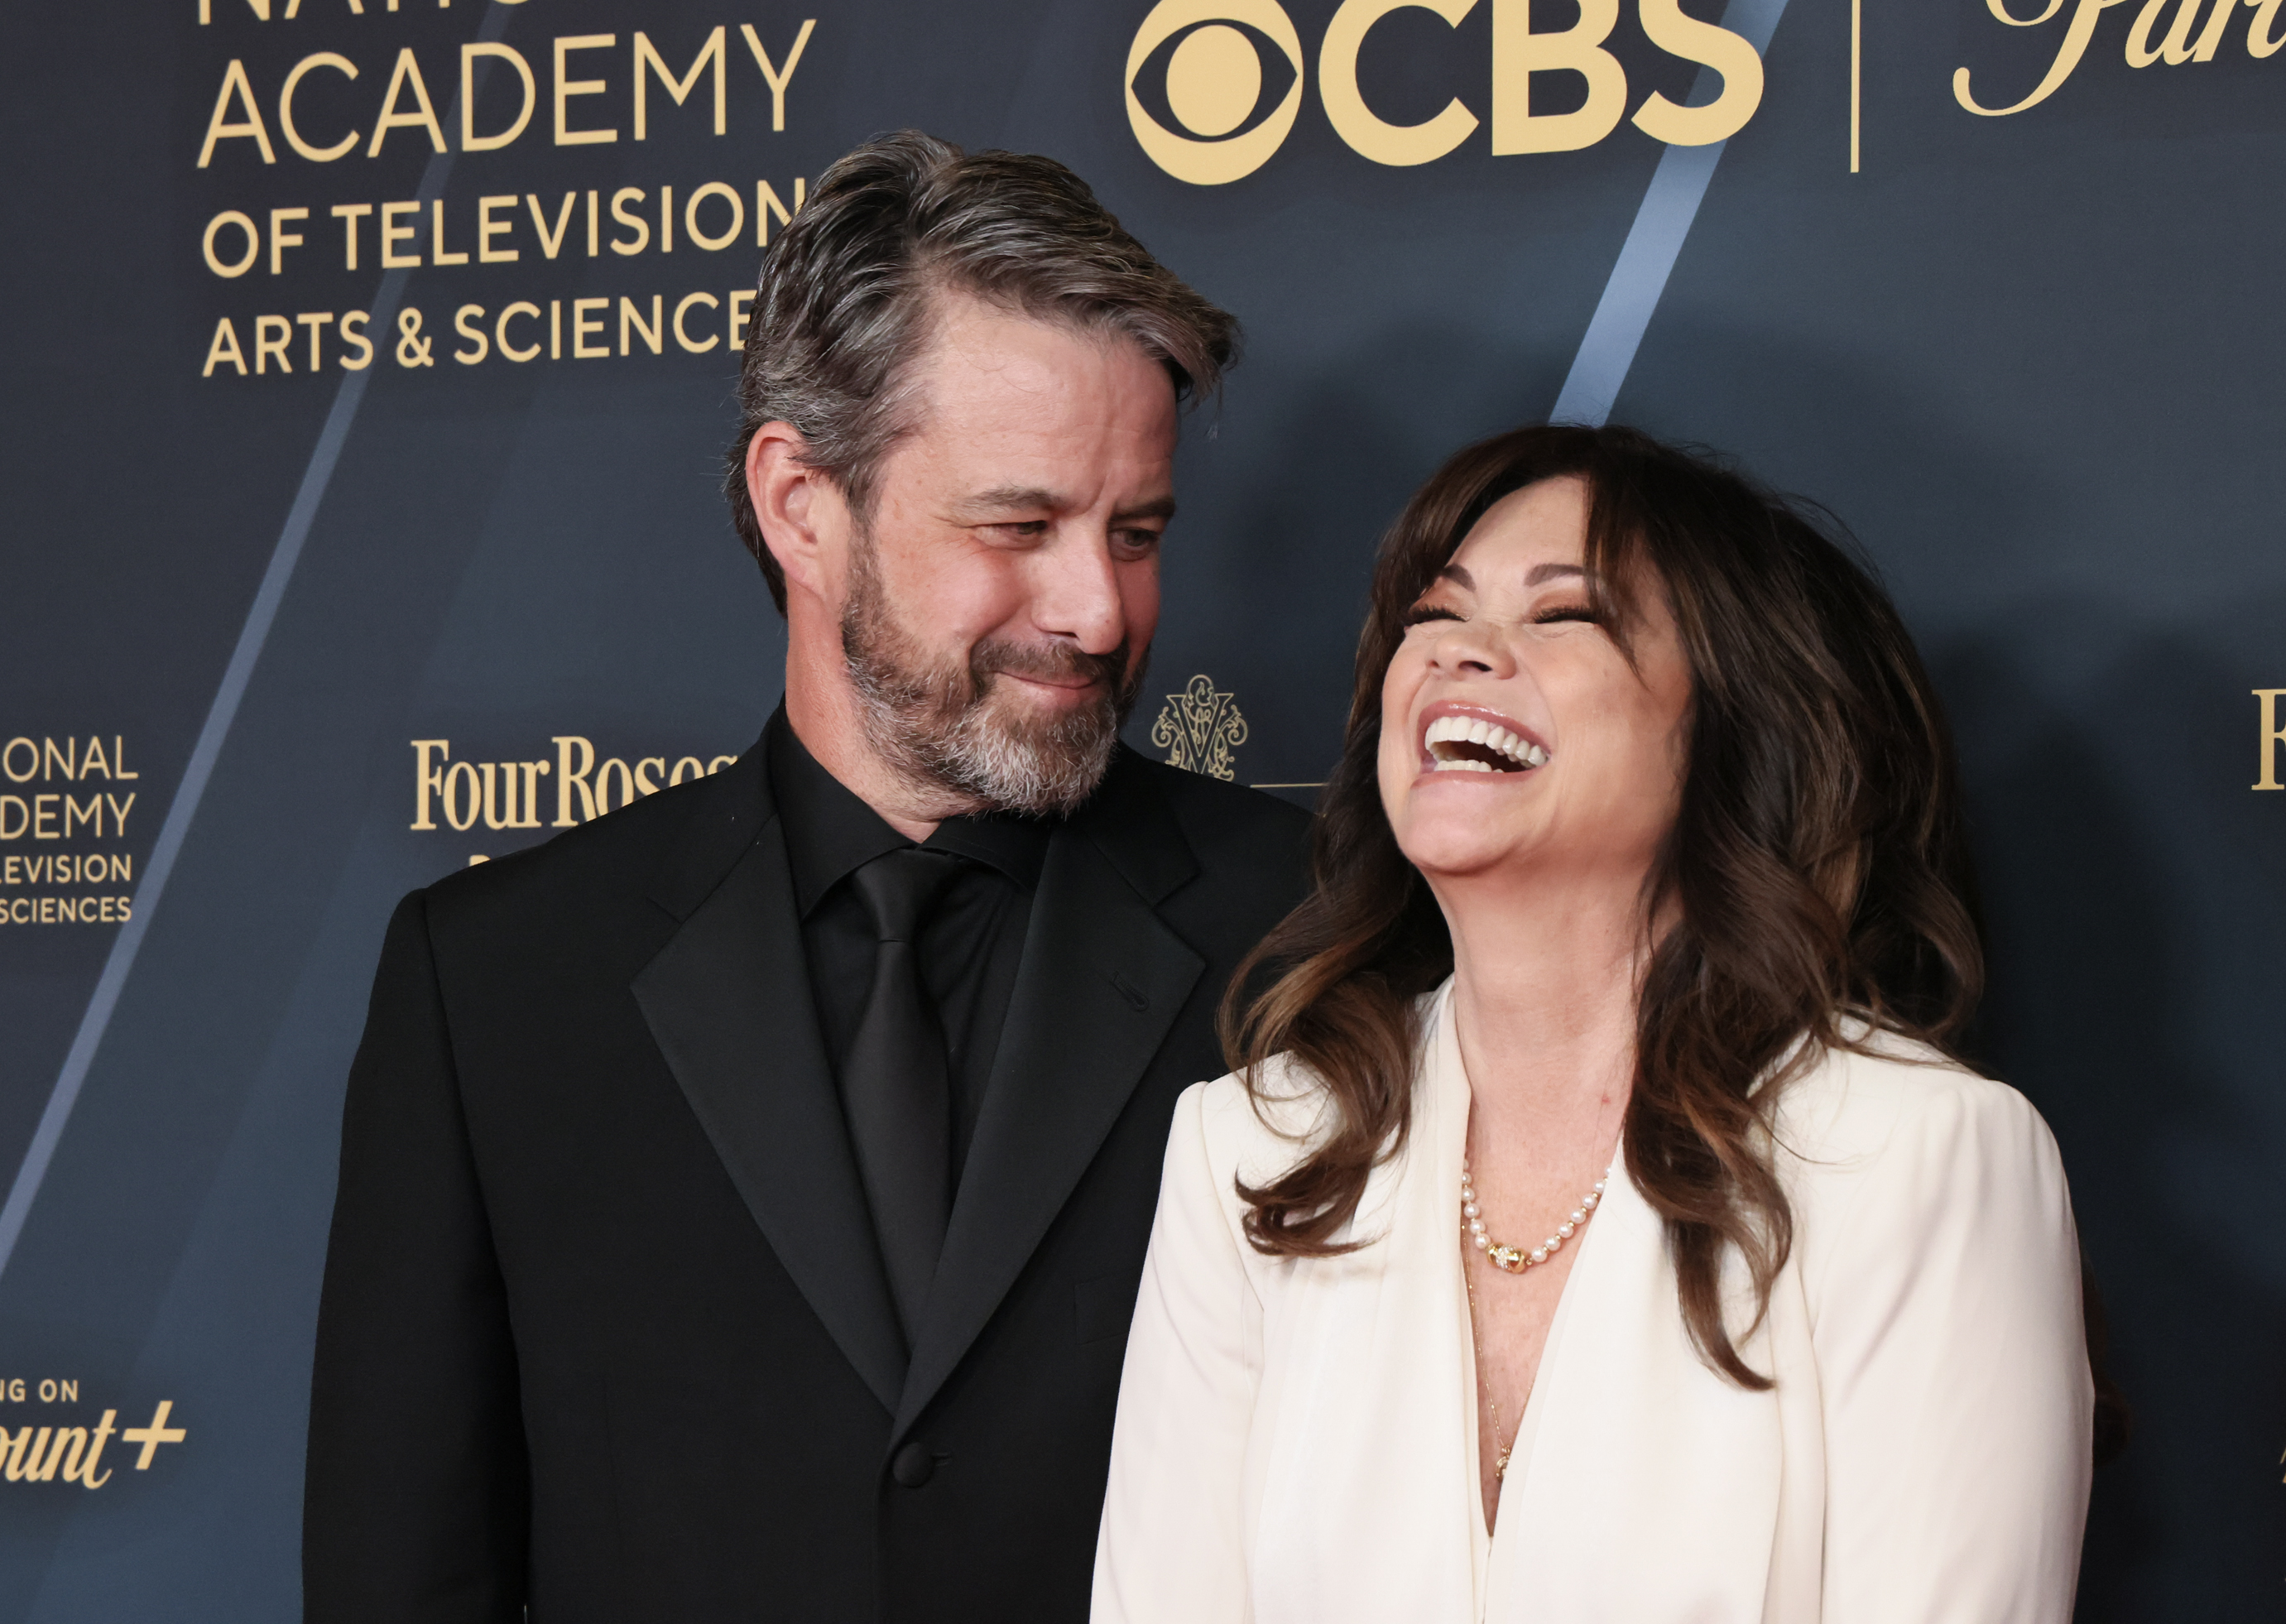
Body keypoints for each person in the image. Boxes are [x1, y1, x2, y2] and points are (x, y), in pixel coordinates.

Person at [303, 132, 1309, 1624]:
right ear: (801, 504)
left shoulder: (1314, 924)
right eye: (1018, 526)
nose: (1098, 608)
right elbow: (408, 1572)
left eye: (1138, 532)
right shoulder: (497, 981)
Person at [1093, 425, 2094, 1622]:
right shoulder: (1252, 1151)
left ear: (1734, 729)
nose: (1463, 652)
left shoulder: (1920, 1155)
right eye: (1435, 612)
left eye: (1563, 616)